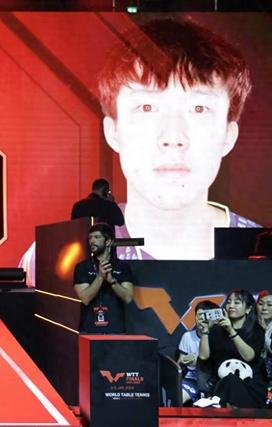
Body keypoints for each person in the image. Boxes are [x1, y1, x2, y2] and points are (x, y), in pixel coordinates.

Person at [97, 19, 261, 261]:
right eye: (146, 107)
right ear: (113, 132)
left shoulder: (261, 255)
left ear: (228, 135)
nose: (173, 137)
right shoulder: (63, 256)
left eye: (199, 108)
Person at [196, 289, 267, 408]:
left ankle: (216, 402)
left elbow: (249, 356)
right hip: (222, 385)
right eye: (229, 302)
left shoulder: (256, 331)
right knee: (229, 380)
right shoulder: (216, 330)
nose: (231, 306)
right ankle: (218, 403)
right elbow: (203, 356)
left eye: (237, 302)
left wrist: (230, 330)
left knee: (231, 380)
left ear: (248, 309)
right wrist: (205, 332)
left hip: (250, 387)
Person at [73, 223, 134, 333]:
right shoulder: (82, 267)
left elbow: (128, 298)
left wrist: (112, 282)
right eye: (90, 238)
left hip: (116, 330)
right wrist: (100, 277)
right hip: (89, 330)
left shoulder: (122, 266)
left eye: (97, 237)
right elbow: (85, 299)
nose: (92, 241)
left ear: (108, 242)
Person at [177, 300, 220, 404]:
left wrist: (198, 362)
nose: (201, 319)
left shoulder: (220, 338)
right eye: (199, 315)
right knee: (178, 395)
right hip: (191, 378)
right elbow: (178, 364)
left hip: (212, 380)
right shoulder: (187, 336)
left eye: (205, 315)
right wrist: (184, 360)